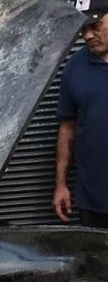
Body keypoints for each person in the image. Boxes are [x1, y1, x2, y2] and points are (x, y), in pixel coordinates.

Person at [53, 0, 108, 226]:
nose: (87, 36)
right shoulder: (75, 67)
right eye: (83, 28)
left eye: (95, 26)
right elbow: (67, 129)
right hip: (93, 200)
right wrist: (60, 185)